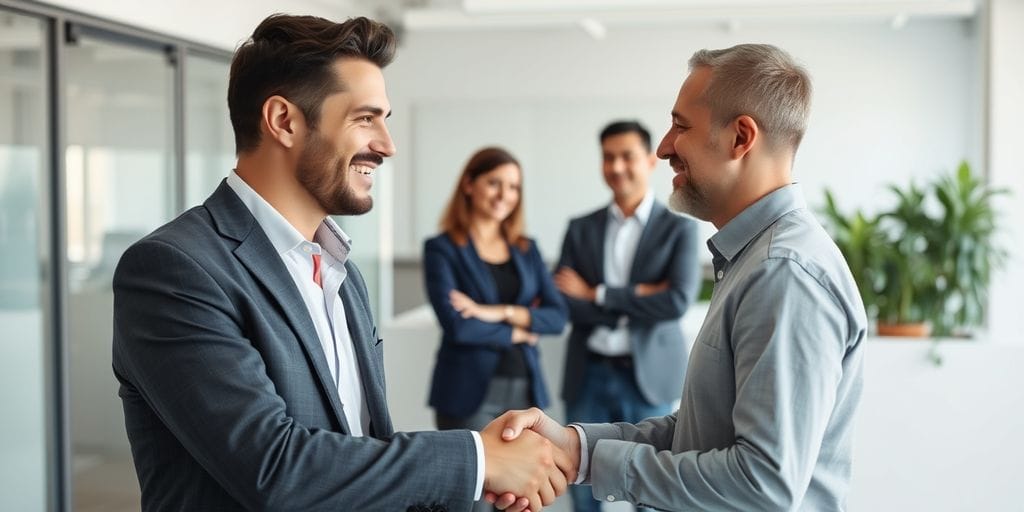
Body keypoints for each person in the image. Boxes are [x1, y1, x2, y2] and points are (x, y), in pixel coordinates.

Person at [111, 14, 570, 512]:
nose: (387, 145)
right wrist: (479, 459)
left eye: (385, 120)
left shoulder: (341, 272)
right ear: (284, 121)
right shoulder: (174, 269)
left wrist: (481, 470)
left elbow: (361, 443)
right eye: (365, 118)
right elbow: (274, 468)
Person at [491, 43, 867, 512]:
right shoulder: (754, 259)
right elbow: (700, 434)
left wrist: (602, 463)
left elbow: (761, 485)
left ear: (740, 138)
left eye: (681, 126)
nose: (665, 147)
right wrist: (576, 447)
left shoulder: (784, 273)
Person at [554, 120, 700, 512]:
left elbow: (677, 301)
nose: (616, 167)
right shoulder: (580, 228)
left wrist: (596, 293)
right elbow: (567, 302)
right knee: (579, 482)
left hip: (647, 378)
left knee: (653, 490)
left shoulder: (679, 230)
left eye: (626, 156)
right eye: (608, 157)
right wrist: (642, 295)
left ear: (650, 161)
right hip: (589, 374)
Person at [423, 147, 569, 510]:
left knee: (520, 499)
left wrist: (495, 312)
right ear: (469, 185)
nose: (505, 195)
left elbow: (557, 316)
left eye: (514, 187)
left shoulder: (526, 249)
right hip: (468, 393)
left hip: (524, 389)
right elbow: (457, 326)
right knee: (471, 500)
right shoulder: (442, 249)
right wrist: (519, 329)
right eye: (495, 183)